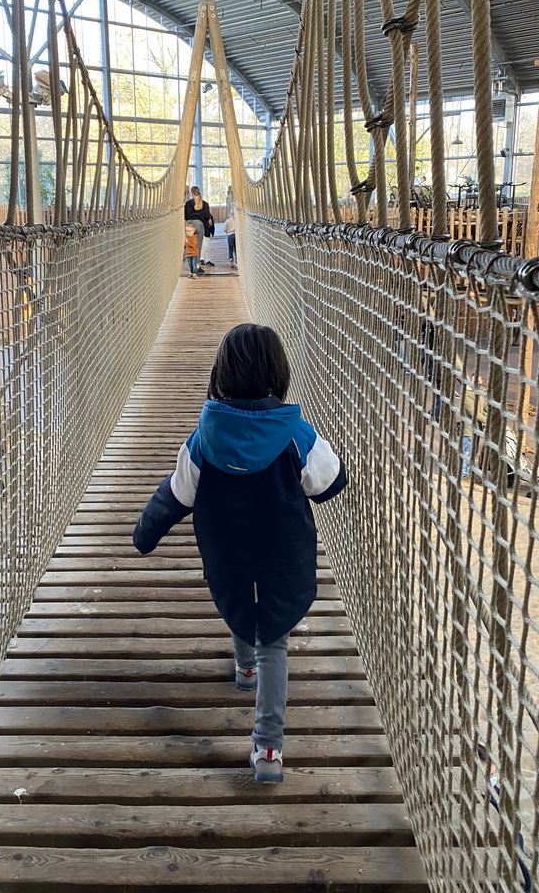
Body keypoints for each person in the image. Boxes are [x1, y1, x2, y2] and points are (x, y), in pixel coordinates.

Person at [133, 323, 347, 783]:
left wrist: (144, 535)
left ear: (220, 373)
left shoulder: (204, 437)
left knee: (239, 602)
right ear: (279, 371)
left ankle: (244, 669)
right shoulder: (296, 434)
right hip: (283, 555)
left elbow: (175, 496)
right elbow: (330, 484)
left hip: (226, 552)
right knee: (274, 637)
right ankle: (268, 749)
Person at [184, 185, 211, 270]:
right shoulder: (205, 204)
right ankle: (197, 266)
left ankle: (191, 265)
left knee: (189, 246)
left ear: (191, 193)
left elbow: (186, 216)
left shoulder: (188, 203)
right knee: (198, 246)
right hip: (199, 225)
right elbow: (207, 216)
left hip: (189, 225)